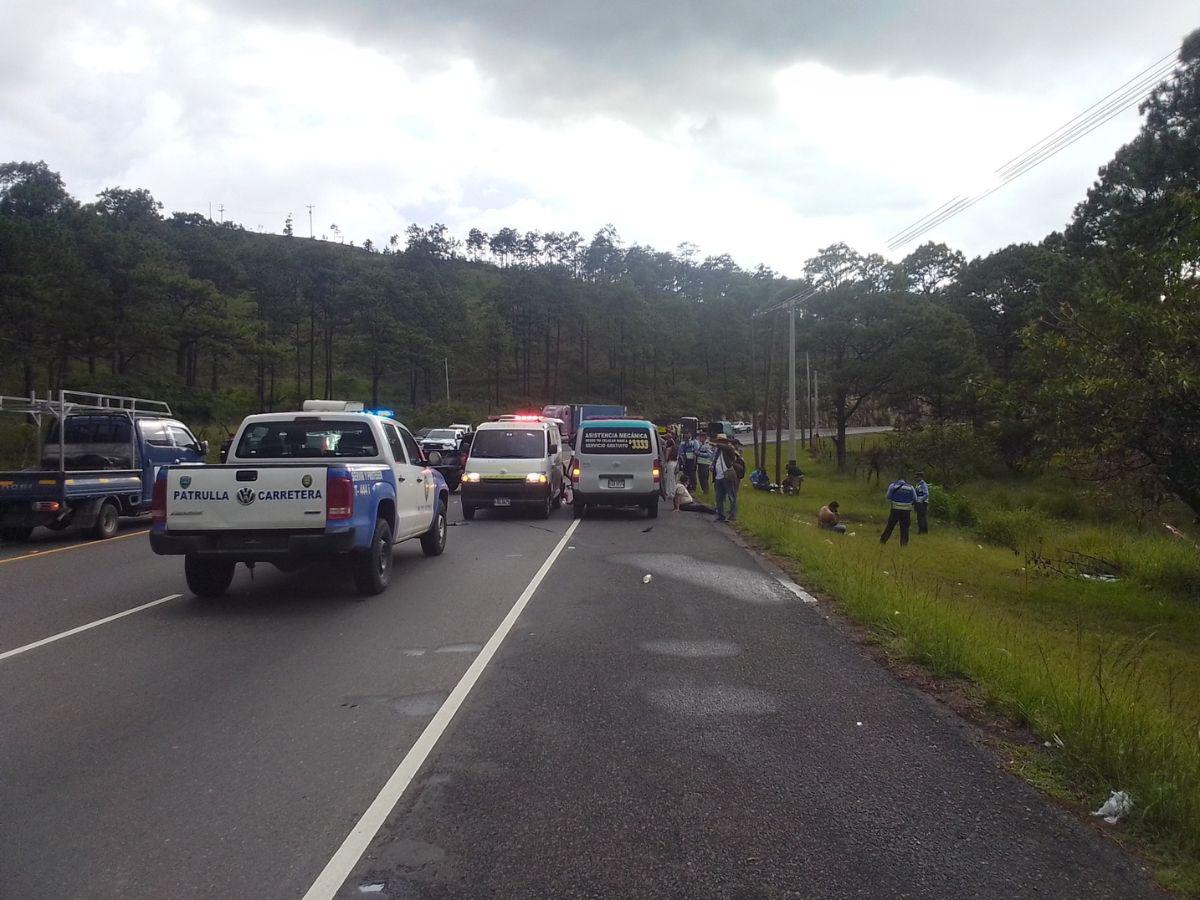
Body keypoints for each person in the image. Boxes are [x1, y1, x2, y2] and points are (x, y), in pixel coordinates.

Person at [880, 473, 917, 546]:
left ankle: (883, 540)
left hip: (895, 509)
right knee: (905, 528)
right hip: (906, 510)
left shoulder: (893, 486)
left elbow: (888, 496)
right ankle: (904, 544)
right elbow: (915, 498)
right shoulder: (910, 487)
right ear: (905, 480)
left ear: (898, 479)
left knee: (890, 526)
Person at [712, 435, 739, 522]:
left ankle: (732, 515)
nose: (719, 442)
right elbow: (715, 460)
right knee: (718, 497)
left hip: (727, 475)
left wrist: (717, 445)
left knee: (731, 496)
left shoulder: (729, 448)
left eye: (721, 441)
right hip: (718, 476)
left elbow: (729, 448)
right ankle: (721, 515)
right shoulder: (718, 451)